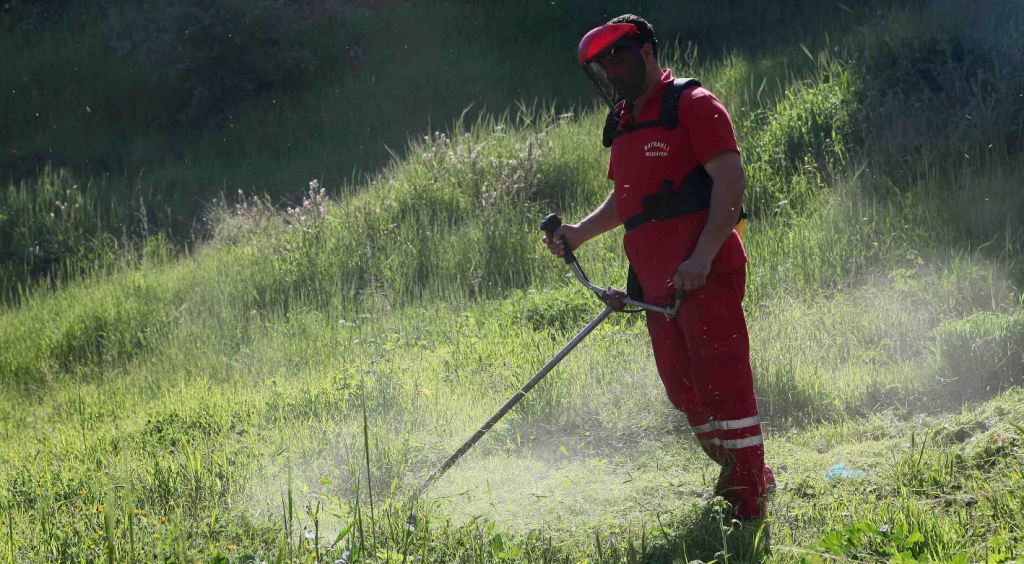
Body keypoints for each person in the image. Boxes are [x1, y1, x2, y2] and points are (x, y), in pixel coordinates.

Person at [543, 14, 774, 520]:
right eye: (603, 66)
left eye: (619, 59)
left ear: (647, 52)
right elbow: (629, 199)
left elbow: (731, 183)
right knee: (683, 390)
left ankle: (748, 497)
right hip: (656, 284)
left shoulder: (693, 105)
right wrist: (578, 232)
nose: (612, 72)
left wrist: (702, 255)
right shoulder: (625, 122)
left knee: (722, 380)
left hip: (704, 273)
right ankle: (747, 472)